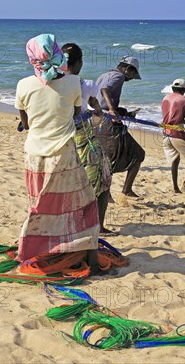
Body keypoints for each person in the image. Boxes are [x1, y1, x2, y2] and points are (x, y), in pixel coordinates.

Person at [15, 34, 99, 274]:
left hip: (34, 155)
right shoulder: (73, 82)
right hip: (63, 154)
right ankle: (91, 262)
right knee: (83, 205)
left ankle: (38, 248)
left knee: (40, 205)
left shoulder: (23, 85)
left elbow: (27, 122)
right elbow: (74, 114)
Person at [62, 43, 114, 236]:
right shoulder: (87, 85)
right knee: (102, 178)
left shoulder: (53, 84)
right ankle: (98, 225)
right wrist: (99, 110)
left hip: (60, 136)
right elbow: (96, 111)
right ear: (80, 62)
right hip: (83, 139)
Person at [92, 56, 145, 198]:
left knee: (107, 157)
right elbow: (104, 90)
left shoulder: (105, 74)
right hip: (107, 121)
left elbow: (98, 98)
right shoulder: (119, 76)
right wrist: (112, 110)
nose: (132, 78)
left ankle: (104, 192)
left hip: (96, 120)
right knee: (138, 154)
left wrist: (123, 111)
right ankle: (124, 190)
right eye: (133, 74)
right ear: (128, 69)